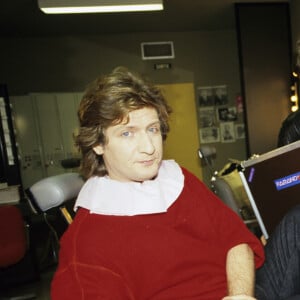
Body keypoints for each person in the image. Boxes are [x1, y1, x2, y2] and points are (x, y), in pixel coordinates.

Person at [51, 67, 299, 299]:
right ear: (97, 143)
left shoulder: (176, 179)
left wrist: (239, 295)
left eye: (153, 129)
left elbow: (237, 242)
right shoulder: (85, 246)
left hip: (243, 288)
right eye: (127, 133)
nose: (149, 148)